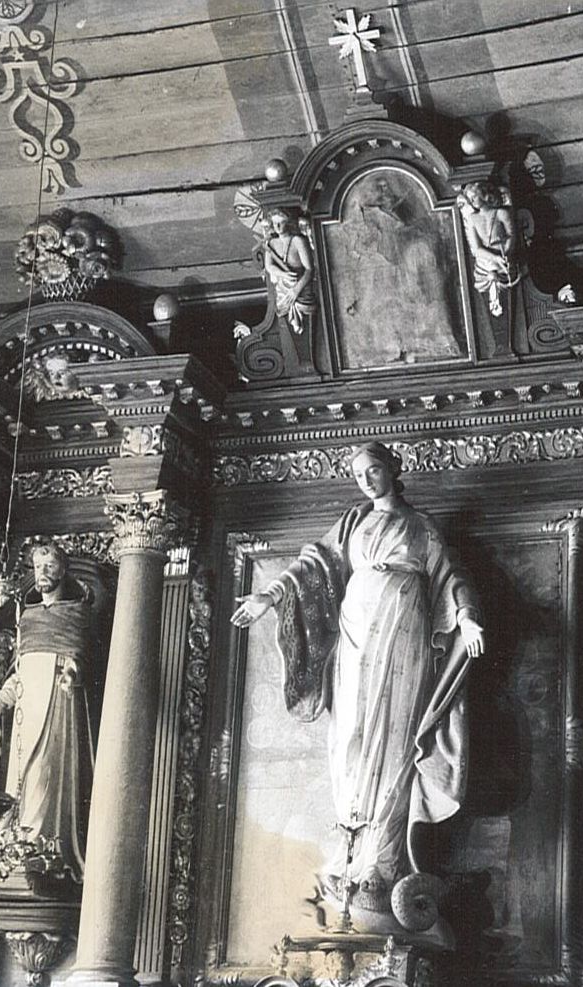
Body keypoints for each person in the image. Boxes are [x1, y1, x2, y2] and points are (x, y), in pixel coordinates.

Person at [230, 442, 485, 925]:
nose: (366, 481)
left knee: (393, 743)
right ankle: (348, 856)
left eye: (373, 471)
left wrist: (468, 620)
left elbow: (452, 579)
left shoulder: (421, 527)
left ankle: (380, 865)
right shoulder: (351, 524)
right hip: (355, 635)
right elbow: (312, 564)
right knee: (350, 738)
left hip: (404, 638)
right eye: (358, 475)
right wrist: (269, 595)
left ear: (393, 468)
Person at [0, 543, 95, 880]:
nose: (42, 573)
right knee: (20, 775)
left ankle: (39, 846)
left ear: (63, 570)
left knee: (44, 773)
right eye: (37, 566)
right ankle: (15, 845)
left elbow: (81, 660)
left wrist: (73, 673)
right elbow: (20, 673)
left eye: (49, 566)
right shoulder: (27, 618)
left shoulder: (77, 614)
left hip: (58, 706)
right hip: (25, 714)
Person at [458, 181, 520, 316]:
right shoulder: (472, 219)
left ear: (484, 195)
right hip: (486, 263)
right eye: (469, 198)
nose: (472, 200)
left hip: (505, 259)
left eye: (474, 196)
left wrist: (506, 253)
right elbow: (477, 249)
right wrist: (495, 258)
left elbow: (511, 236)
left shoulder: (501, 213)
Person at [262, 207, 317, 335]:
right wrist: (283, 274)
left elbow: (309, 270)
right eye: (275, 223)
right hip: (282, 291)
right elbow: (269, 266)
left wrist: (295, 291)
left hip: (301, 289)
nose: (277, 226)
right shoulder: (271, 243)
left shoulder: (298, 241)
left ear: (289, 222)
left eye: (281, 222)